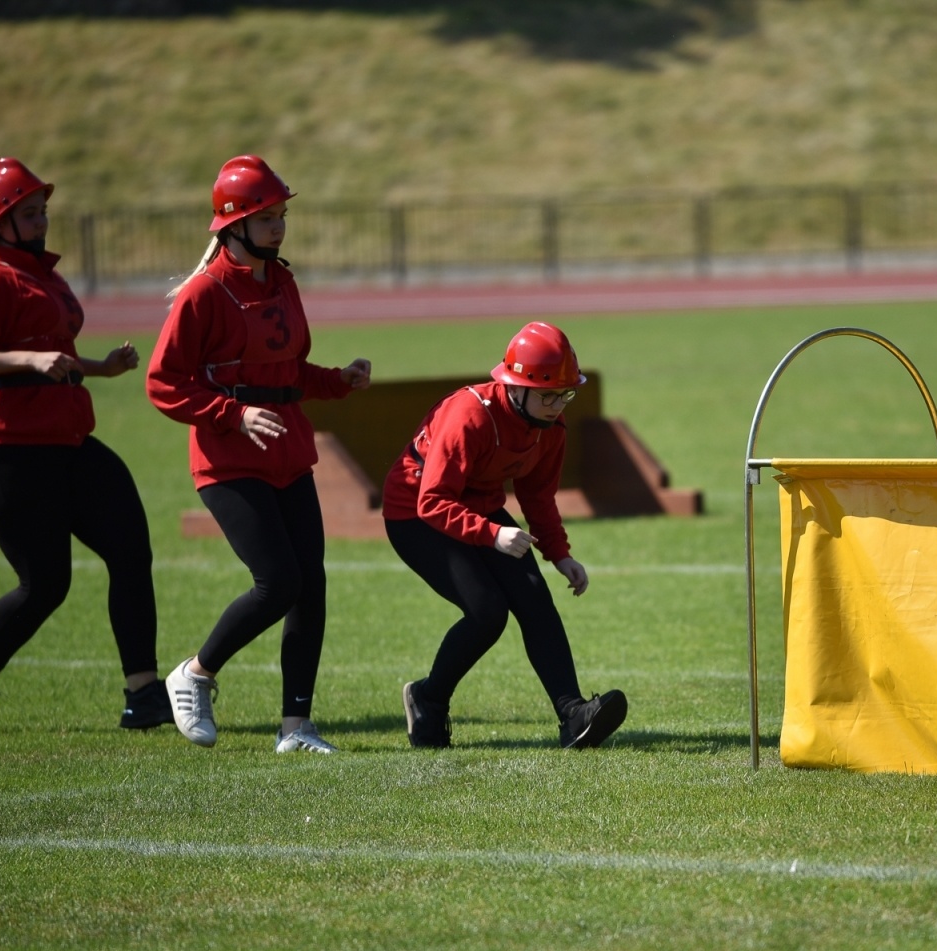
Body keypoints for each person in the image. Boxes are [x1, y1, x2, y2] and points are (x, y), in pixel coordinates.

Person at [147, 155, 372, 754]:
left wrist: (336, 380)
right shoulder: (203, 294)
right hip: (226, 460)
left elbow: (287, 370)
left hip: (288, 450)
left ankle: (297, 728)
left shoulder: (283, 281)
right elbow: (163, 384)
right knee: (278, 583)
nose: (278, 227)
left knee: (311, 586)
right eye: (265, 217)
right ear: (232, 224)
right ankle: (194, 673)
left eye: (282, 215)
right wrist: (234, 414)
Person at [0, 158, 168, 734]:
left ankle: (143, 694)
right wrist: (31, 359)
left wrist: (100, 367)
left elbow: (54, 357)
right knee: (46, 585)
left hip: (70, 441)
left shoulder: (46, 276)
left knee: (130, 548)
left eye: (43, 210)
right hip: (10, 451)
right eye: (29, 212)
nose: (43, 220)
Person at [382, 321, 627, 751]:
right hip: (415, 514)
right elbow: (432, 501)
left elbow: (538, 496)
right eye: (548, 394)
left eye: (565, 394)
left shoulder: (551, 427)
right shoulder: (469, 415)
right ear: (515, 387)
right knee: (487, 612)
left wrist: (559, 555)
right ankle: (427, 699)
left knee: (534, 597)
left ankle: (573, 715)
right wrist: (493, 534)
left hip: (478, 507)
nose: (556, 405)